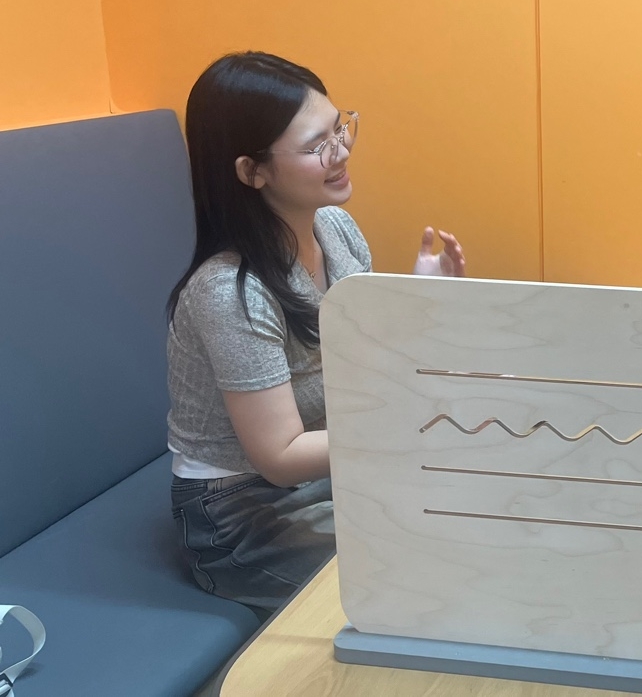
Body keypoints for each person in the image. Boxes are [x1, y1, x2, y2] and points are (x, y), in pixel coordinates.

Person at [165, 52, 467, 612]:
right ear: (251, 171)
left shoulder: (334, 228)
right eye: (316, 146)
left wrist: (419, 304)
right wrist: (410, 432)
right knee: (435, 561)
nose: (342, 152)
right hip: (241, 513)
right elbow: (279, 456)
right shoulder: (230, 292)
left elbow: (367, 366)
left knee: (481, 504)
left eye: (339, 129)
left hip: (330, 470)